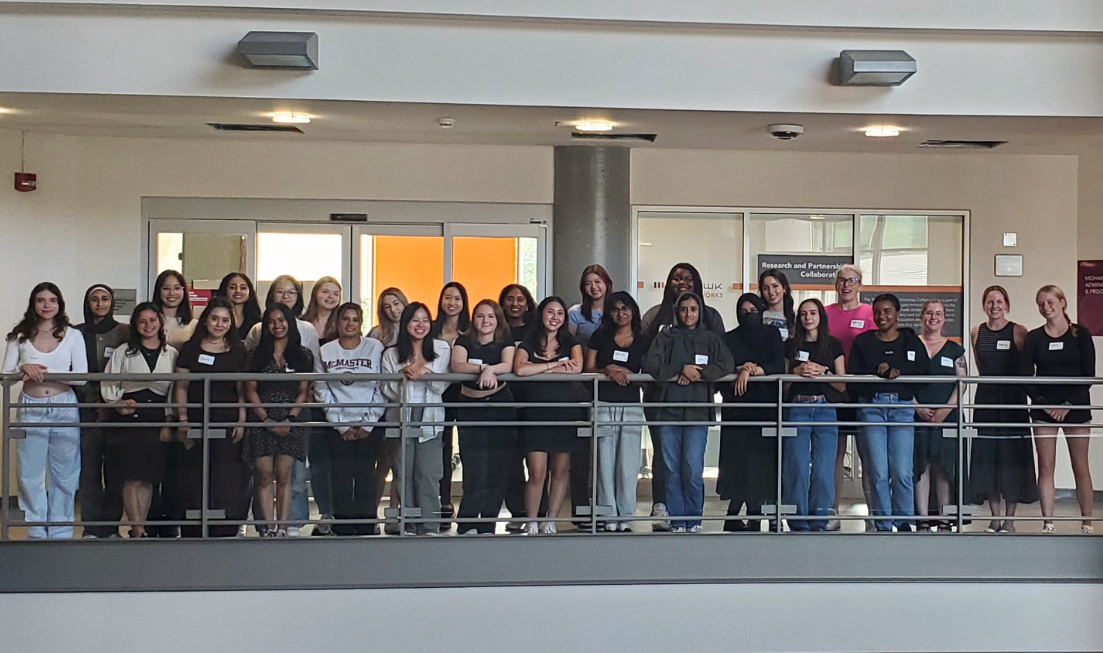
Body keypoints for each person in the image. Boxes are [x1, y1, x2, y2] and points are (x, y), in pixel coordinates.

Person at [640, 263, 725, 530]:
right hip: (667, 411)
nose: (688, 313)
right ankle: (677, 520)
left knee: (692, 469)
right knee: (671, 470)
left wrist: (700, 373)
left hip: (697, 411)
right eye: (684, 309)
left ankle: (694, 520)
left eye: (693, 309)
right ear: (677, 311)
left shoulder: (710, 336)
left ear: (700, 311)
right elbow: (651, 365)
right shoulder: (663, 335)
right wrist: (679, 369)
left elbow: (725, 365)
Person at [2, 283, 88, 539]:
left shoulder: (73, 335)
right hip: (31, 407)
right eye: (41, 300)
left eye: (52, 300)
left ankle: (61, 530)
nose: (47, 305)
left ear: (60, 304)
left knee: (66, 471)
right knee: (30, 471)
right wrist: (23, 370)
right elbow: (5, 376)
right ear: (33, 304)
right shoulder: (19, 336)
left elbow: (82, 377)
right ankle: (37, 529)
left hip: (64, 406)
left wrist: (48, 373)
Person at [244, 275, 319, 536]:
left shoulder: (303, 355)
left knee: (286, 478)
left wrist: (289, 418)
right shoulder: (255, 354)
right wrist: (266, 419)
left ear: (290, 323)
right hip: (261, 420)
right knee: (264, 476)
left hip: (291, 420)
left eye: (282, 320)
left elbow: (304, 391)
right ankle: (266, 528)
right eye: (272, 321)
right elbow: (250, 389)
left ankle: (284, 527)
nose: (277, 325)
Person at [848, 294, 929, 532]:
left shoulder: (910, 341)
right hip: (872, 408)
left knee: (902, 471)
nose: (882, 316)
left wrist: (899, 371)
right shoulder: (863, 342)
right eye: (877, 312)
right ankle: (883, 523)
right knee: (878, 472)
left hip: (902, 408)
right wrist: (876, 373)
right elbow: (853, 378)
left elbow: (923, 373)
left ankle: (904, 522)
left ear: (898, 314)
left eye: (887, 311)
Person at [1021, 285, 1096, 534]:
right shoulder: (1034, 337)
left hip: (1075, 407)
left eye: (1050, 302)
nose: (1046, 307)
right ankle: (1048, 522)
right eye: (1041, 303)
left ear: (1063, 302)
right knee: (1046, 466)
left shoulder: (1081, 335)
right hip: (1044, 409)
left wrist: (1067, 405)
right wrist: (1045, 405)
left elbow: (1089, 375)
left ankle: (1087, 521)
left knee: (1081, 466)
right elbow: (1025, 377)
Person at [101, 303, 178, 538]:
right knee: (130, 476)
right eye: (142, 321)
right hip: (129, 418)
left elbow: (175, 390)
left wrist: (168, 420)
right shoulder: (123, 351)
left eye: (153, 320)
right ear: (135, 324)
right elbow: (108, 381)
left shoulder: (171, 353)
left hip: (156, 419)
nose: (148, 325)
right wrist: (117, 404)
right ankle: (137, 527)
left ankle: (141, 526)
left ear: (160, 323)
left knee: (147, 477)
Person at [173, 297, 248, 538]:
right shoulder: (190, 348)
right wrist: (182, 418)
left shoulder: (239, 349)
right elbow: (181, 386)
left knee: (226, 475)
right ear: (205, 320)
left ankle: (225, 528)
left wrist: (241, 420)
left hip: (227, 420)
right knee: (194, 472)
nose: (219, 324)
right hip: (195, 419)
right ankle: (193, 528)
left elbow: (241, 389)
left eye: (225, 320)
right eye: (215, 318)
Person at [967, 286, 1037, 533]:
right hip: (986, 401)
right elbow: (981, 366)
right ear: (983, 305)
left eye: (999, 301)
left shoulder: (1019, 332)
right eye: (989, 302)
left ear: (1007, 304)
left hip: (1012, 402)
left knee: (1011, 459)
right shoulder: (976, 332)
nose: (994, 306)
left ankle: (1009, 519)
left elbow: (1028, 370)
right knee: (988, 457)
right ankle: (994, 517)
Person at [513, 296, 584, 535]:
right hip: (535, 412)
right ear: (541, 314)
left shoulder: (570, 342)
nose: (555, 318)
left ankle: (551, 519)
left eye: (560, 314)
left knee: (561, 469)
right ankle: (532, 519)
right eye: (550, 312)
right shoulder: (528, 342)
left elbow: (577, 368)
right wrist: (553, 366)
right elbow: (520, 369)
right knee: (536, 472)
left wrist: (540, 368)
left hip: (564, 411)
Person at [381, 303, 452, 536]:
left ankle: (429, 525)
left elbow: (441, 386)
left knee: (429, 471)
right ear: (405, 324)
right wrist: (401, 376)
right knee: (404, 471)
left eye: (425, 320)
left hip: (430, 416)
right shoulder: (391, 354)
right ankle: (409, 524)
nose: (420, 325)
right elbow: (386, 389)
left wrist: (427, 374)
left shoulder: (441, 348)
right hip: (401, 415)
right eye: (414, 320)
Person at [316, 303, 386, 536]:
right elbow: (321, 388)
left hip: (370, 424)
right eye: (345, 319)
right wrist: (341, 424)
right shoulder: (326, 350)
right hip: (338, 425)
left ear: (360, 323)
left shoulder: (374, 347)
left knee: (366, 472)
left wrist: (368, 423)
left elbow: (382, 386)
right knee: (341, 473)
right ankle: (344, 524)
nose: (349, 323)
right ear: (338, 322)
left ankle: (366, 523)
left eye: (355, 319)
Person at [717, 294, 784, 532]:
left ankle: (756, 516)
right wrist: (741, 368)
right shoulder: (728, 338)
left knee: (762, 463)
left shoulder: (772, 334)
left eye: (752, 310)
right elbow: (722, 370)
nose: (748, 315)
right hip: (737, 410)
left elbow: (779, 364)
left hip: (765, 409)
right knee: (738, 463)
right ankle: (733, 515)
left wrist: (757, 369)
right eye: (743, 311)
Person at [585, 291, 650, 532]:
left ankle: (625, 516)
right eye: (615, 309)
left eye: (625, 308)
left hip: (631, 405)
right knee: (604, 461)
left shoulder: (644, 339)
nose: (620, 313)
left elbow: (648, 379)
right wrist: (606, 371)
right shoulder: (599, 336)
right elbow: (587, 368)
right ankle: (607, 514)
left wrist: (626, 372)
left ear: (633, 310)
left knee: (628, 463)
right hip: (602, 404)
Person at [452, 300, 517, 534]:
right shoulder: (464, 340)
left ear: (497, 319)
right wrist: (484, 369)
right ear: (473, 319)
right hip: (471, 407)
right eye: (480, 316)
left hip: (500, 406)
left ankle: (488, 521)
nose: (485, 321)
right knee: (474, 466)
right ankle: (467, 521)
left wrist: (491, 369)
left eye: (490, 316)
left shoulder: (505, 341)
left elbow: (508, 364)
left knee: (498, 467)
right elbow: (457, 365)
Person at [783, 299, 845, 531]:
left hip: (825, 408)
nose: (808, 318)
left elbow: (841, 385)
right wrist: (795, 372)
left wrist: (823, 371)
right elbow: (781, 386)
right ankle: (798, 521)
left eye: (813, 313)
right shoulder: (790, 346)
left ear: (820, 316)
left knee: (823, 468)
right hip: (798, 408)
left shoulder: (834, 345)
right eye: (803, 314)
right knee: (797, 466)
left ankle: (819, 519)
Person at [824, 264, 877, 531]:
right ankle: (832, 510)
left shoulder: (870, 313)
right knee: (836, 451)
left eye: (852, 280)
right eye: (842, 280)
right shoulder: (826, 313)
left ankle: (873, 513)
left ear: (860, 285)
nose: (846, 285)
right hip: (833, 389)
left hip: (861, 389)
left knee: (869, 452)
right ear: (836, 284)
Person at [75, 284, 129, 538]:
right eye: (94, 299)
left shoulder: (124, 332)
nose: (99, 304)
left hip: (117, 410)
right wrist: (91, 404)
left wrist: (110, 404)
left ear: (112, 303)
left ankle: (111, 526)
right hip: (85, 410)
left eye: (104, 299)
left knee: (116, 472)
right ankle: (90, 526)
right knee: (89, 472)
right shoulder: (75, 333)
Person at [914, 299, 968, 531]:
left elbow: (963, 382)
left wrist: (947, 409)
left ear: (944, 318)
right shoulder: (910, 345)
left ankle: (945, 519)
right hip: (916, 415)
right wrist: (915, 407)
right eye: (929, 313)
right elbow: (901, 379)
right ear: (921, 316)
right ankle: (923, 519)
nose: (933, 317)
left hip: (949, 415)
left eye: (938, 313)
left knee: (945, 467)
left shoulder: (956, 349)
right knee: (920, 467)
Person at [301, 276, 343, 534]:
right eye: (325, 292)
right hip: (310, 401)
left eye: (335, 293)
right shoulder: (302, 325)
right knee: (318, 463)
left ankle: (340, 512)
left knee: (338, 460)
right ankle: (325, 513)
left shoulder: (344, 324)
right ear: (315, 294)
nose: (330, 296)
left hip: (340, 401)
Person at [367, 287, 408, 532]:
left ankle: (394, 514)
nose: (393, 310)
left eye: (396, 303)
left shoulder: (417, 328)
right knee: (380, 464)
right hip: (379, 404)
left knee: (398, 462)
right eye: (386, 306)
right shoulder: (375, 334)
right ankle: (371, 513)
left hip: (400, 404)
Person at [499, 282, 538, 531]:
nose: (515, 304)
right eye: (510, 299)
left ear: (527, 303)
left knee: (536, 458)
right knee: (510, 460)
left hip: (533, 399)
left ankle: (538, 509)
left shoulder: (536, 331)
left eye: (520, 299)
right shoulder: (497, 332)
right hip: (504, 399)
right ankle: (517, 510)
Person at [432, 282, 470, 525]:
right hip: (438, 393)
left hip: (466, 393)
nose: (452, 303)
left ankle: (469, 503)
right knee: (441, 446)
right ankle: (443, 501)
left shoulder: (470, 330)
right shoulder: (431, 329)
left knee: (467, 445)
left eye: (457, 298)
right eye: (448, 297)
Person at [568, 264, 613, 348]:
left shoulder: (616, 312)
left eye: (597, 282)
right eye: (588, 284)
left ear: (606, 283)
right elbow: (566, 344)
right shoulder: (575, 313)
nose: (593, 287)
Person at [152, 270, 197, 350]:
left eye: (177, 288)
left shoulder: (194, 325)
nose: (172, 293)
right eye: (166, 288)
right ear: (158, 291)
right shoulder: (150, 322)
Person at [216, 273, 262, 340]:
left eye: (243, 288)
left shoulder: (257, 322)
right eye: (232, 287)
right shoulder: (215, 318)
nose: (238, 291)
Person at [758, 268, 795, 339]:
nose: (771, 292)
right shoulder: (758, 317)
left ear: (784, 288)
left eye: (775, 286)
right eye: (766, 288)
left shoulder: (795, 317)